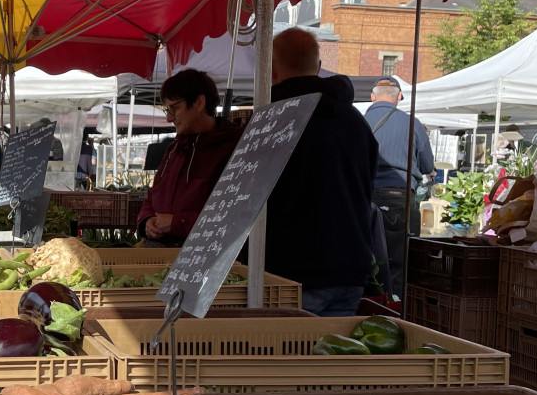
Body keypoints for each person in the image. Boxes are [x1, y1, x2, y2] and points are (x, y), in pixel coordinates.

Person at [266, 28, 379, 316]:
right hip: (350, 266)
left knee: (287, 358)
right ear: (317, 68)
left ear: (271, 70)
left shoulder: (272, 121)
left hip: (290, 271)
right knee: (330, 357)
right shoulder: (355, 121)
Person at [135, 69, 242, 246]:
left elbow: (232, 213)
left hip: (200, 254)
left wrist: (178, 223)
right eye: (167, 110)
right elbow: (153, 193)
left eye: (174, 108)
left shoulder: (233, 148)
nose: (169, 118)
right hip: (159, 250)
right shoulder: (175, 148)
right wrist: (147, 221)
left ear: (199, 103)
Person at [364, 77, 435, 298]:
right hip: (400, 201)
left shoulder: (359, 122)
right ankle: (394, 314)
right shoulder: (413, 124)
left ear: (372, 96)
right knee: (400, 265)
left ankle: (366, 310)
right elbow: (427, 166)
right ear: (400, 96)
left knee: (366, 261)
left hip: (364, 200)